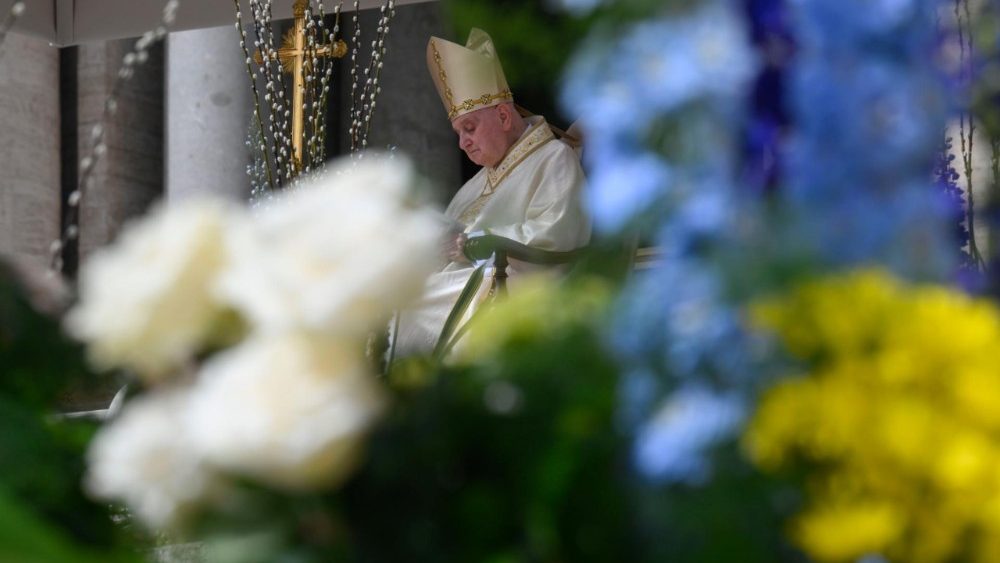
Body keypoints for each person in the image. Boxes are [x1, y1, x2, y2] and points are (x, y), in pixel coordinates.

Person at [392, 28, 590, 357]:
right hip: (468, 282)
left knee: (410, 306)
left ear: (502, 115)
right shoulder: (477, 182)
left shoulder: (554, 157)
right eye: (458, 133)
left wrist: (473, 243)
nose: (463, 142)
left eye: (469, 128)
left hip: (517, 288)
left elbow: (558, 234)